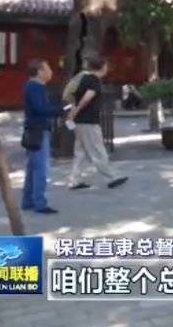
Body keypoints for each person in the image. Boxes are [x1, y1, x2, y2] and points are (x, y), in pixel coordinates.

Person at [67, 57, 128, 191]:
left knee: (80, 152)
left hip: (79, 121)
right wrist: (77, 109)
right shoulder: (94, 80)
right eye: (106, 66)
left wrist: (73, 113)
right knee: (98, 150)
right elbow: (87, 97)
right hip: (89, 121)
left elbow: (74, 98)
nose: (107, 68)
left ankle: (74, 180)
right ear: (102, 67)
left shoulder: (83, 79)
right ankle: (112, 177)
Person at [22, 59, 64, 214]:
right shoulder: (35, 87)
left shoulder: (33, 86)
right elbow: (40, 108)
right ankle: (39, 202)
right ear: (39, 72)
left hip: (35, 129)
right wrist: (61, 109)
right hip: (38, 130)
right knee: (41, 168)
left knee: (33, 167)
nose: (51, 72)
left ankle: (28, 200)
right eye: (48, 69)